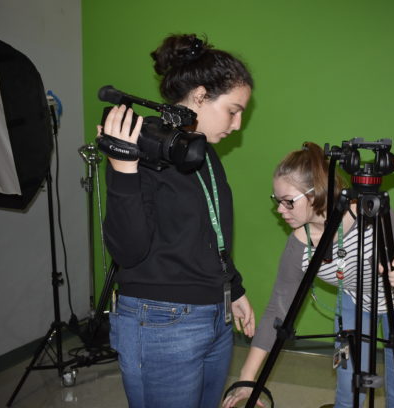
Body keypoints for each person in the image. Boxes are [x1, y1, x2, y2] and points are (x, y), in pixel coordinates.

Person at [100, 33, 255, 408]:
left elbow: (210, 232)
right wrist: (123, 168)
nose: (237, 125)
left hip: (214, 316)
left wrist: (232, 288)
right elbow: (128, 251)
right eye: (233, 111)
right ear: (200, 96)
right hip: (160, 321)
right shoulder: (144, 146)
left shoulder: (201, 151)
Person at [223, 142, 394, 408]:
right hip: (354, 302)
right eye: (277, 201)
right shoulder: (298, 245)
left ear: (316, 193)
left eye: (288, 201)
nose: (280, 210)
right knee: (349, 388)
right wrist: (247, 379)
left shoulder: (369, 214)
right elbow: (277, 310)